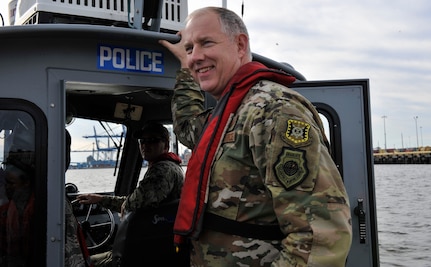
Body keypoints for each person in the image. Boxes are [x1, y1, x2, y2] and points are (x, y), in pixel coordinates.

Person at [159, 6, 352, 266]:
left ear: (240, 45)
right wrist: (185, 68)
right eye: (191, 48)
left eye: (206, 43)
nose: (196, 56)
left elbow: (321, 237)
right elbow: (187, 127)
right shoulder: (227, 115)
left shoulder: (274, 109)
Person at [76, 122, 184, 267]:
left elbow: (134, 204)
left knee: (81, 263)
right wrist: (100, 199)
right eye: (143, 141)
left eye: (153, 140)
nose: (146, 145)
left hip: (143, 249)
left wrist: (124, 204)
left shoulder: (162, 170)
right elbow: (135, 200)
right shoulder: (171, 166)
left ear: (166, 145)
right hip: (149, 244)